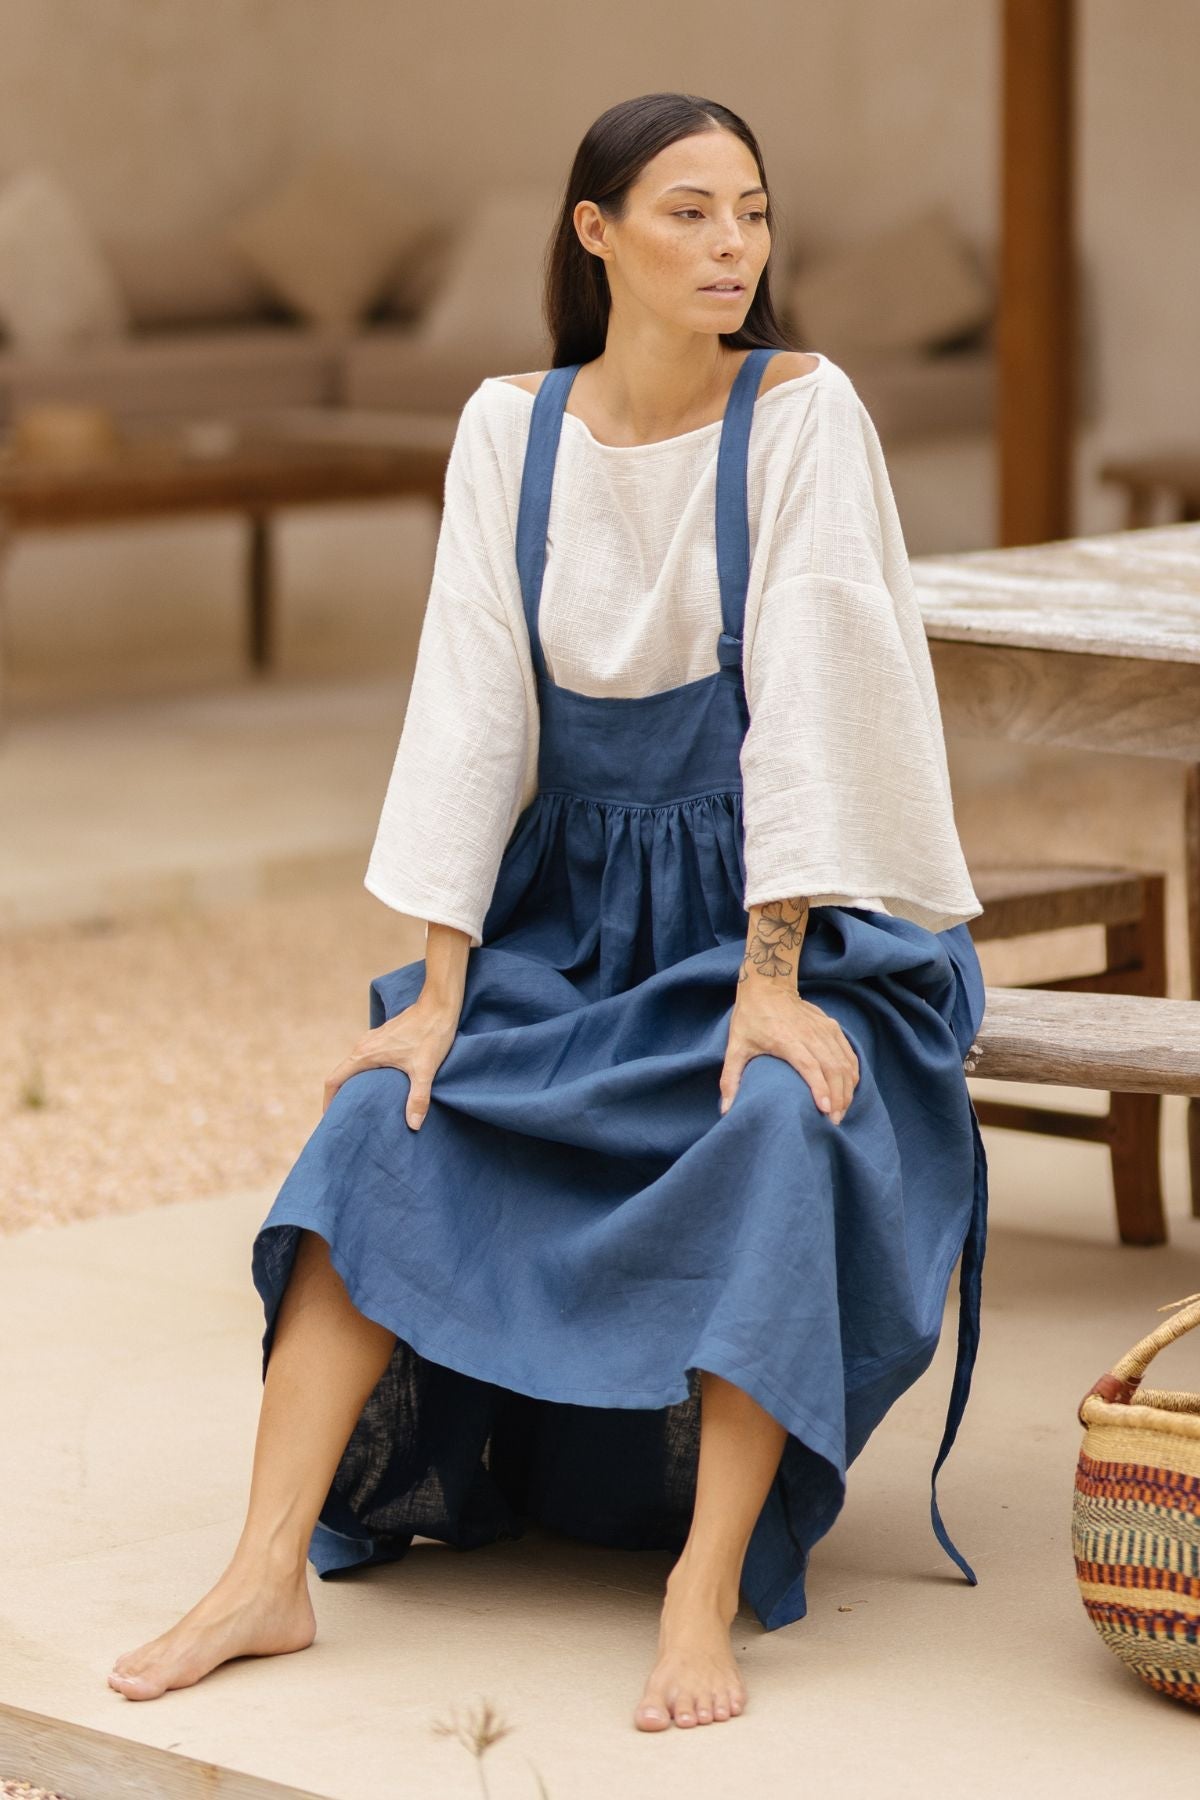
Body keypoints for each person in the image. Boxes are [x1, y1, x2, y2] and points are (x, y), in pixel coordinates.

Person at [107, 91, 989, 1734]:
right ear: (595, 234)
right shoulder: (508, 429)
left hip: (783, 922)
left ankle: (699, 1586)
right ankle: (262, 1570)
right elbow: (465, 718)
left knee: (775, 1125)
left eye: (753, 213)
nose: (733, 247)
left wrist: (770, 983)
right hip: (580, 927)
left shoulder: (802, 412)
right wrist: (439, 989)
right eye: (688, 214)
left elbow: (812, 710)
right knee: (386, 1123)